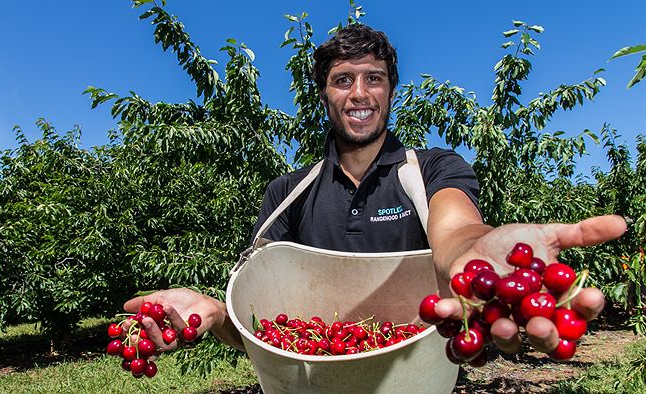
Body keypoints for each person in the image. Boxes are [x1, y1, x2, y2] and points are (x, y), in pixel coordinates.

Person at [122, 24, 627, 358]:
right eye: (343, 80)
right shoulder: (287, 192)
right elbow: (259, 324)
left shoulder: (431, 170)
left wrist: (469, 251)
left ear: (390, 90)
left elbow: (454, 226)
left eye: (373, 79)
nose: (359, 93)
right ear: (323, 92)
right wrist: (216, 314)